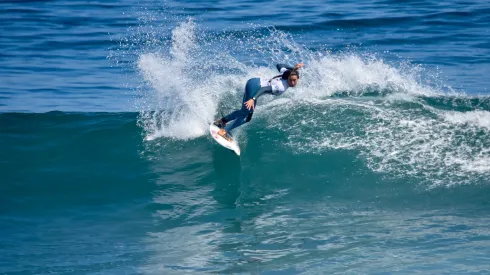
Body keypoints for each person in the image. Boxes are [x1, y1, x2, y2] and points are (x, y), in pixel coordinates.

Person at [214, 62, 304, 141]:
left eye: (294, 80)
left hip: (253, 81)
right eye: (291, 80)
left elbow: (279, 65)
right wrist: (253, 99)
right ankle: (223, 131)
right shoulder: (281, 87)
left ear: (298, 79)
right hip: (255, 88)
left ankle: (222, 121)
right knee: (245, 116)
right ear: (288, 78)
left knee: (245, 114)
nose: (292, 83)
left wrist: (293, 68)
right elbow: (264, 89)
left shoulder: (286, 73)